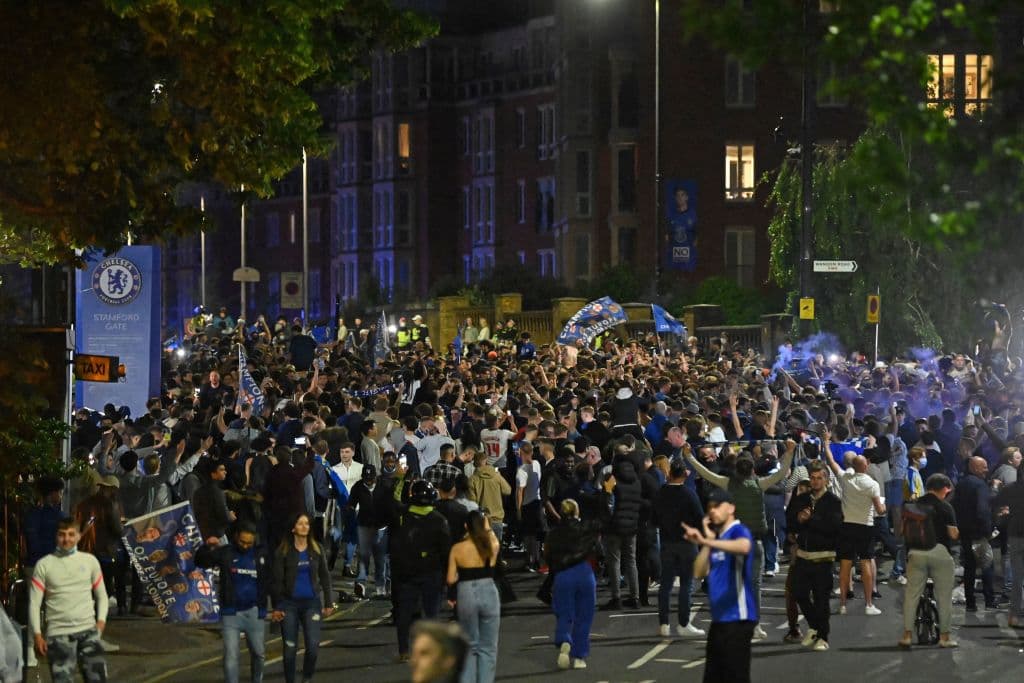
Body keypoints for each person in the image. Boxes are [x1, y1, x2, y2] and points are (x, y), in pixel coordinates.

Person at [684, 489, 757, 683]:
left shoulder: (739, 530)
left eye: (717, 506)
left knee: (736, 676)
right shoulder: (717, 539)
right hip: (719, 619)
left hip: (739, 618)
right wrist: (707, 543)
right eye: (710, 507)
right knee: (713, 677)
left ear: (731, 508)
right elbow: (699, 572)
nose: (713, 511)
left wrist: (707, 540)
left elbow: (744, 547)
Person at [29, 518, 109, 683]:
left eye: (71, 534)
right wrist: (37, 635)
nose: (67, 539)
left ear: (79, 536)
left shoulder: (90, 562)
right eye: (62, 535)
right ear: (56, 536)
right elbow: (34, 604)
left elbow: (102, 596)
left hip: (89, 632)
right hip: (58, 636)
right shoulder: (44, 565)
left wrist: (100, 623)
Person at [196, 521, 271, 683]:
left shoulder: (261, 555)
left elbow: (270, 580)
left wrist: (267, 608)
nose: (245, 546)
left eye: (249, 543)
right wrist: (207, 547)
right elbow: (201, 561)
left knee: (259, 653)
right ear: (236, 537)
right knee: (231, 655)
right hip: (231, 613)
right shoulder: (226, 553)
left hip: (254, 612)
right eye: (242, 542)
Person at [822, 435, 886, 615]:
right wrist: (884, 506)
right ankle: (868, 604)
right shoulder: (872, 484)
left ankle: (842, 604)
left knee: (845, 564)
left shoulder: (845, 479)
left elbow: (832, 461)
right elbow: (879, 510)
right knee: (865, 562)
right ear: (865, 466)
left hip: (846, 525)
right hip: (865, 526)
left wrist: (826, 444)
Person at [270, 513, 335, 683]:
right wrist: (277, 606)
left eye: (307, 523)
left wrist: (328, 602)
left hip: (311, 604)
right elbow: (276, 582)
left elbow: (325, 576)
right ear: (293, 528)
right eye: (300, 523)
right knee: (290, 649)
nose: (305, 526)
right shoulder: (282, 551)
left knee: (312, 647)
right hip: (289, 604)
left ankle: (306, 678)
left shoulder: (317, 549)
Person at [391, 479, 452, 661]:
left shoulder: (403, 517)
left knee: (404, 615)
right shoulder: (439, 520)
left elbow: (394, 546)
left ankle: (404, 650)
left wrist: (400, 479)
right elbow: (446, 551)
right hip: (431, 573)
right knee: (431, 613)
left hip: (405, 574)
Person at [785, 460, 843, 651]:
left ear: (826, 480)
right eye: (813, 478)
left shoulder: (833, 502)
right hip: (803, 555)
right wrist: (797, 521)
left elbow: (834, 527)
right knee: (798, 593)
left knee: (821, 599)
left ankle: (823, 637)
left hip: (823, 557)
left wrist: (812, 520)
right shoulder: (802, 499)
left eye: (819, 478)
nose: (815, 481)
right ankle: (814, 626)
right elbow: (791, 521)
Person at [898, 474, 959, 648]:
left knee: (911, 595)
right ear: (945, 488)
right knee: (944, 596)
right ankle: (944, 637)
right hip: (939, 552)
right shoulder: (945, 507)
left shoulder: (912, 505)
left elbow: (901, 531)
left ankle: (907, 635)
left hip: (915, 552)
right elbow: (953, 534)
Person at [651, 457, 705, 637]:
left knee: (665, 585)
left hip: (667, 542)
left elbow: (653, 519)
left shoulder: (660, 493)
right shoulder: (689, 494)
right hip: (687, 544)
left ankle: (663, 623)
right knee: (686, 584)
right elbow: (699, 518)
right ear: (683, 474)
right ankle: (683, 623)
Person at [544, 499, 600, 670]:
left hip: (563, 575)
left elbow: (548, 556)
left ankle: (564, 640)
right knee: (584, 616)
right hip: (584, 572)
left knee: (564, 613)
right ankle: (579, 656)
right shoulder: (584, 529)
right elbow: (596, 544)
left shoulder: (553, 534)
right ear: (577, 512)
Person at [446, 510, 501, 683]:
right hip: (488, 589)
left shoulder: (457, 549)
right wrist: (487, 527)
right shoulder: (491, 545)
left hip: (466, 591)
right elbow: (493, 538)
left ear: (465, 526)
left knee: (470, 645)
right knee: (488, 647)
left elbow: (450, 578)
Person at [954, 456, 997, 611]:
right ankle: (989, 600)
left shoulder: (961, 484)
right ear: (974, 468)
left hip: (965, 532)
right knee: (987, 566)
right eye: (983, 467)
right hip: (979, 534)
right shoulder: (980, 486)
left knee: (969, 568)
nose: (987, 470)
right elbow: (982, 511)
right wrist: (988, 531)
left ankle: (970, 603)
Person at [467, 450, 512, 545]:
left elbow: (472, 502)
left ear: (474, 463)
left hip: (482, 520)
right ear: (486, 461)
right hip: (497, 518)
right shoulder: (496, 476)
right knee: (496, 550)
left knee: (482, 550)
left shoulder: (472, 479)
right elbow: (508, 490)